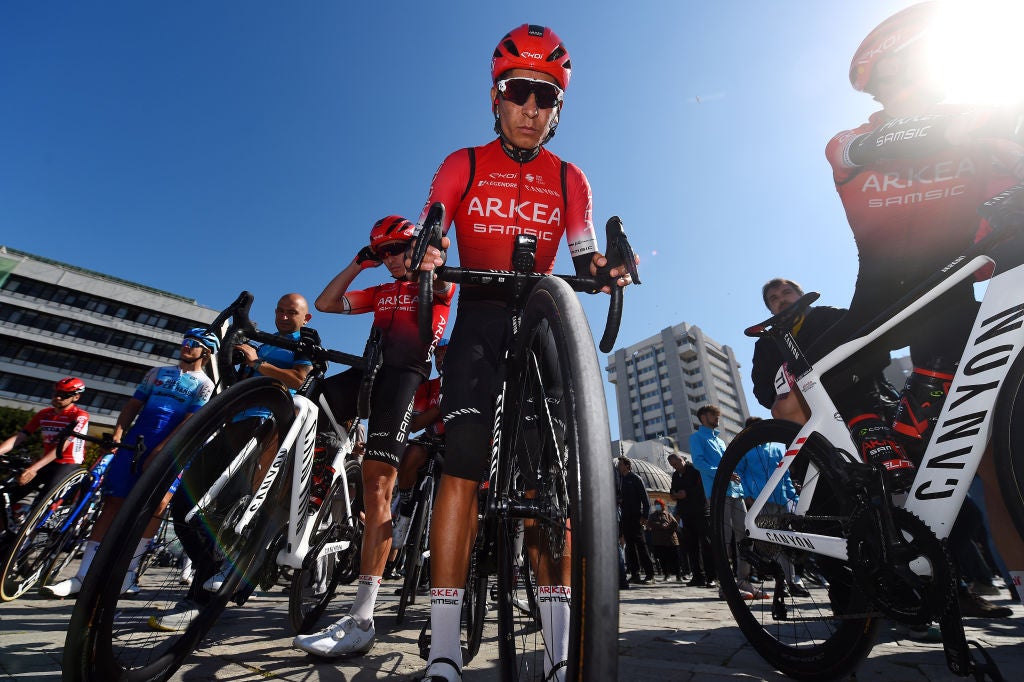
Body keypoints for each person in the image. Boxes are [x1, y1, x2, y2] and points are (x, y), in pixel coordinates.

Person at [408, 24, 634, 682]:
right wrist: (429, 249)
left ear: (558, 110)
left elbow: (586, 254)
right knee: (464, 466)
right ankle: (445, 649)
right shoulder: (464, 163)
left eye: (547, 96)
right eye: (519, 92)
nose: (533, 108)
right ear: (496, 99)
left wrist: (609, 265)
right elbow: (434, 223)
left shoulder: (571, 179)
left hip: (538, 321)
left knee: (550, 488)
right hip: (478, 312)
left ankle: (563, 653)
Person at [822, 0, 1024, 607]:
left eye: (927, 71)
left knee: (983, 446)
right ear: (880, 83)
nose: (920, 84)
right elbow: (863, 151)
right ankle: (880, 447)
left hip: (954, 289)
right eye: (906, 73)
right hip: (883, 287)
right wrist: (976, 125)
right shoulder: (850, 137)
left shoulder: (984, 124)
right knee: (837, 377)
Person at [292, 216, 452, 658]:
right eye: (383, 253)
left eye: (397, 249)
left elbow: (438, 286)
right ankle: (304, 483)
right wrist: (358, 263)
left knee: (378, 485)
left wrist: (426, 254)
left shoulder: (437, 282)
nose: (389, 259)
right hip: (369, 371)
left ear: (419, 247)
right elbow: (324, 304)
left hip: (404, 378)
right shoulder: (380, 290)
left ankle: (362, 619)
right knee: (299, 406)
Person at [150, 295, 317, 630]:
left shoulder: (306, 342)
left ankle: (201, 598)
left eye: (292, 312)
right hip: (231, 421)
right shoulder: (258, 341)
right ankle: (215, 574)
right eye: (280, 310)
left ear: (306, 317)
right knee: (184, 502)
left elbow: (300, 381)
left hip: (267, 425)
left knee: (224, 508)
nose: (284, 316)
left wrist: (257, 363)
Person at [46, 329, 216, 598]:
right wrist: (118, 432)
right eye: (185, 340)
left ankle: (127, 576)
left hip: (171, 446)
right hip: (137, 440)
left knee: (156, 506)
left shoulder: (205, 384)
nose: (186, 346)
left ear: (206, 352)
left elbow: (189, 422)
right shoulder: (157, 372)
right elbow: (134, 403)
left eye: (194, 343)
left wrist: (162, 450)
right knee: (113, 503)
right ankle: (82, 575)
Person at [384, 337, 447, 581]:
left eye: (445, 355)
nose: (441, 360)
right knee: (410, 454)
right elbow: (413, 425)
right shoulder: (429, 387)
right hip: (431, 441)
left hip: (457, 445)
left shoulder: (468, 382)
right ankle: (408, 500)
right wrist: (440, 408)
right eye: (437, 356)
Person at [689, 404, 764, 600]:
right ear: (703, 417)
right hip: (717, 493)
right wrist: (724, 474)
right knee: (725, 539)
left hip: (736, 492)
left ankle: (744, 581)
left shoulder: (720, 441)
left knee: (746, 536)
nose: (718, 418)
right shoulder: (697, 438)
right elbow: (698, 463)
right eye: (714, 414)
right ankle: (726, 586)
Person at [735, 416, 809, 598]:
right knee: (771, 543)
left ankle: (792, 582)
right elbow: (738, 473)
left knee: (786, 540)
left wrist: (792, 495)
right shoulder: (746, 451)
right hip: (760, 500)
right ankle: (782, 581)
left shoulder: (776, 449)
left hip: (782, 499)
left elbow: (785, 475)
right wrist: (747, 495)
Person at [0, 377, 89, 511]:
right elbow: (20, 436)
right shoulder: (44, 414)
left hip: (68, 463)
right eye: (56, 393)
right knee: (7, 498)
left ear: (76, 397)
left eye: (64, 395)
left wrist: (33, 468)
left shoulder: (79, 416)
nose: (58, 397)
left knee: (42, 503)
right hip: (46, 461)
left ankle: (34, 528)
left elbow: (63, 446)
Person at [668, 452, 715, 588]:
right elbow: (673, 491)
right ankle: (697, 576)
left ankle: (711, 576)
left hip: (701, 512)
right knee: (691, 547)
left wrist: (685, 494)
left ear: (682, 459)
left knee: (706, 544)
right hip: (686, 514)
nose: (675, 467)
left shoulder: (695, 470)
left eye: (676, 464)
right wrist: (676, 495)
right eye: (672, 465)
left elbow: (701, 489)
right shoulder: (676, 475)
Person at [617, 457, 655, 585]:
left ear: (627, 465)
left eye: (621, 464)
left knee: (641, 546)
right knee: (630, 548)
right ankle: (635, 573)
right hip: (625, 517)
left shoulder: (635, 479)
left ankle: (650, 574)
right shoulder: (620, 480)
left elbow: (645, 499)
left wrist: (644, 516)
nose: (619, 466)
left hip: (636, 517)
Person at [646, 498, 683, 582]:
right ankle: (667, 574)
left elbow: (675, 524)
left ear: (662, 506)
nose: (657, 506)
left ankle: (678, 576)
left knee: (675, 559)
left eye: (659, 504)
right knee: (663, 559)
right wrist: (660, 525)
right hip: (659, 541)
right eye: (656, 505)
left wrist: (668, 526)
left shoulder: (668, 514)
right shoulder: (652, 516)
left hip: (671, 540)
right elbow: (649, 524)